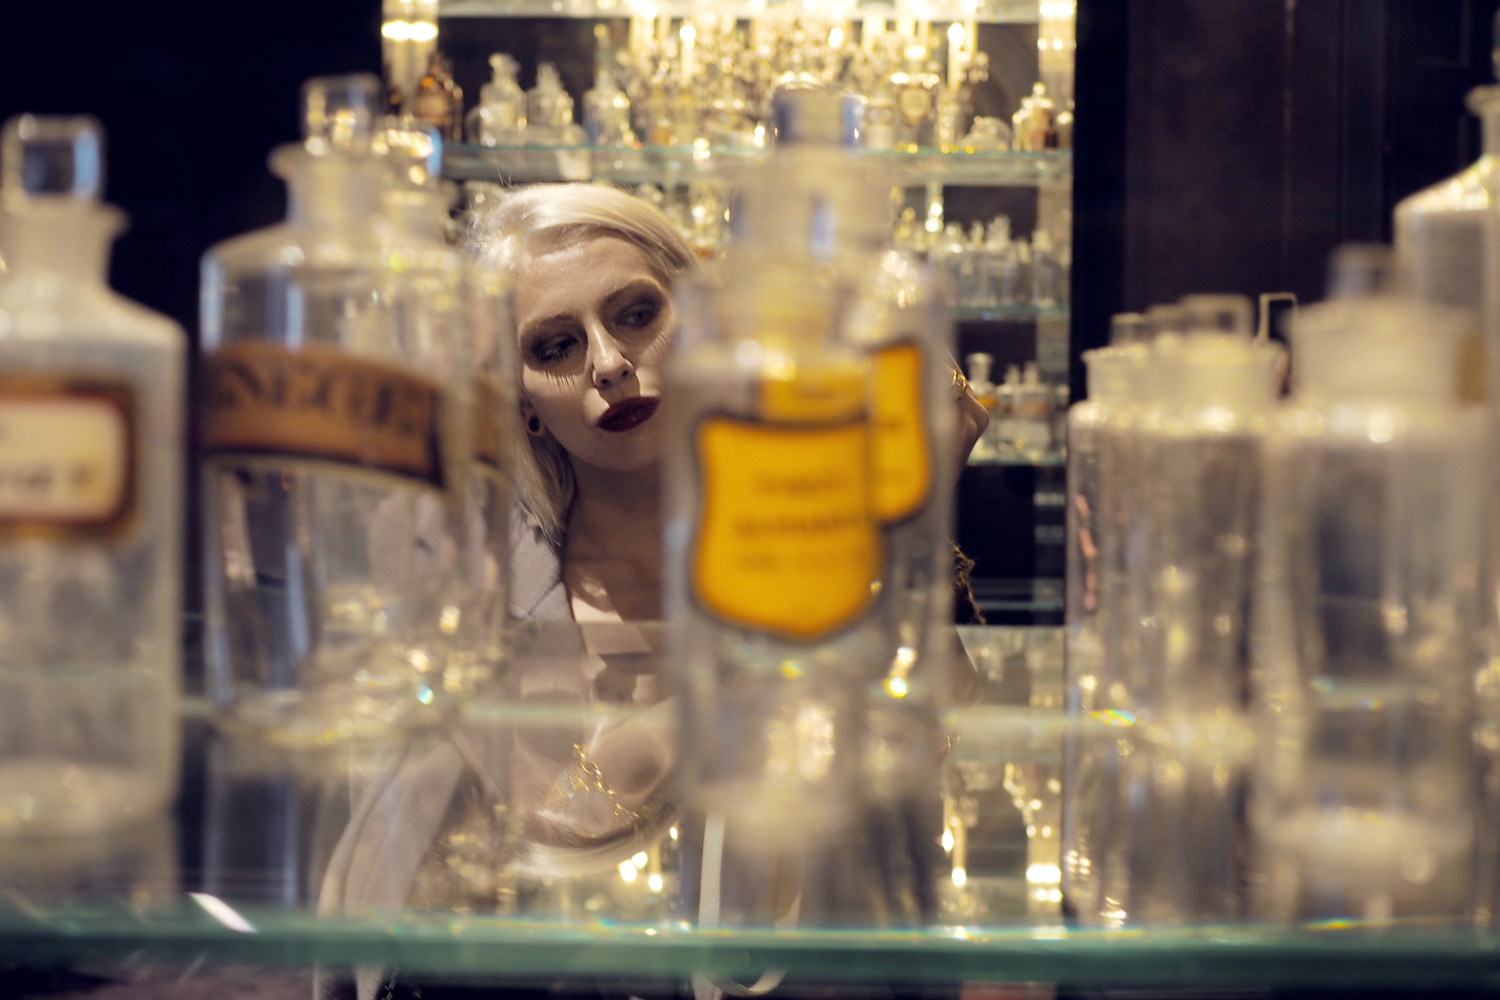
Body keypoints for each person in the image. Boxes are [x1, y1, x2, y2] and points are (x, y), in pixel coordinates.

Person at [470, 182, 699, 624]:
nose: (609, 365)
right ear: (521, 400)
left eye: (637, 316)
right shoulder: (480, 594)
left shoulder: (821, 527)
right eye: (558, 347)